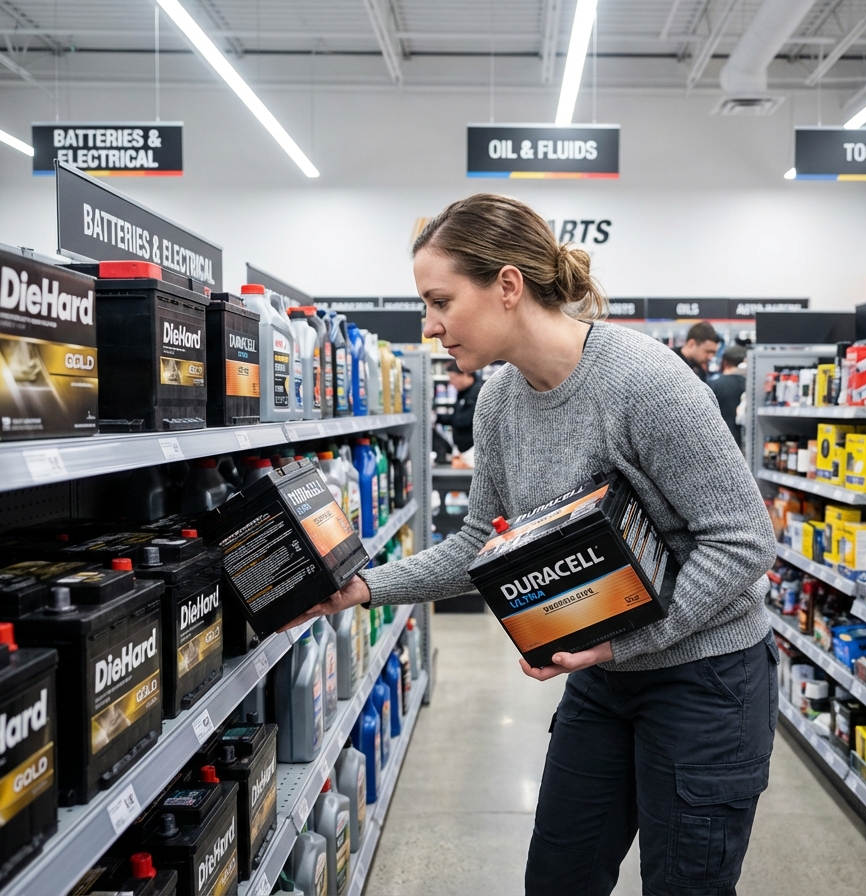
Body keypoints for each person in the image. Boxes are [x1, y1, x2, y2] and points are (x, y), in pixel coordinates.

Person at [286, 194, 778, 896]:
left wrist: (620, 645)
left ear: (507, 286)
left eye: (440, 301)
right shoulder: (498, 401)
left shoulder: (644, 382)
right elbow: (474, 550)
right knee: (558, 877)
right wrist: (364, 587)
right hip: (605, 684)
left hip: (706, 679)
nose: (430, 327)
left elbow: (743, 541)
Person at [437, 360, 483, 453]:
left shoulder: (478, 393)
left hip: (473, 450)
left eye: (453, 378)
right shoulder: (463, 393)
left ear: (465, 374)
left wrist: (440, 418)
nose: (451, 382)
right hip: (465, 450)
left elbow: (464, 420)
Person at [710, 344, 748, 448]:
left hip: (719, 442)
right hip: (746, 443)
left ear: (725, 362)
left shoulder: (713, 385)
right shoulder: (751, 385)